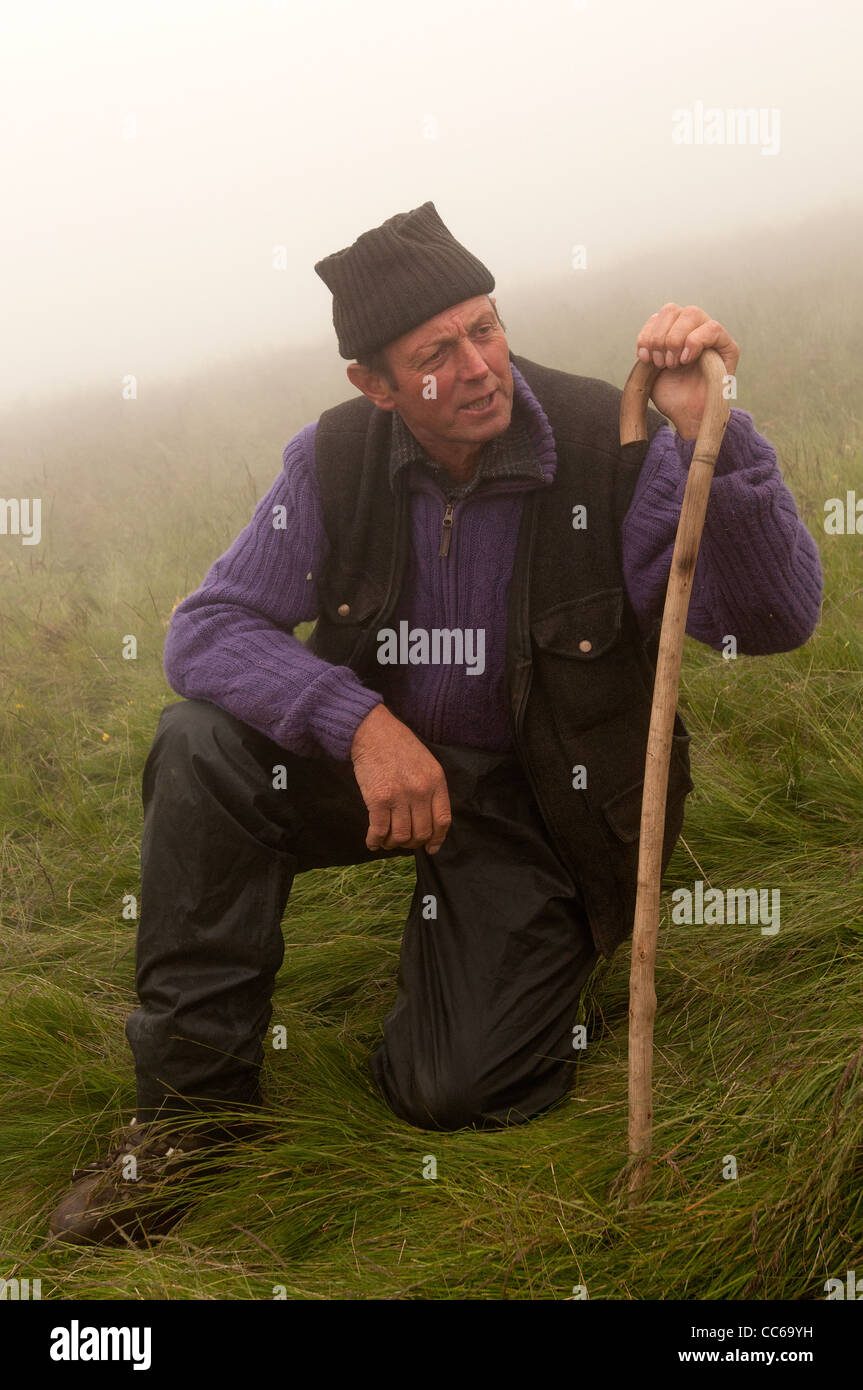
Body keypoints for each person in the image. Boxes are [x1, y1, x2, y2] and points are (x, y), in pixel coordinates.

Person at [49, 201, 823, 1246]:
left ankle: (500, 954)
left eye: (485, 328)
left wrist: (711, 439)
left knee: (453, 1089)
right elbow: (206, 629)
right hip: (386, 768)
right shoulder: (332, 461)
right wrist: (357, 722)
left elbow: (773, 621)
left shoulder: (613, 443)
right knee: (200, 747)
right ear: (373, 387)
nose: (475, 366)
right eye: (433, 353)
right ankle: (192, 1116)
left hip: (543, 798)